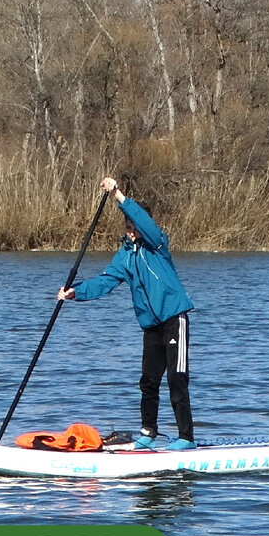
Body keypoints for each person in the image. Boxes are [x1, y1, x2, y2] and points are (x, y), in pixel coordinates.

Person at [58, 176, 196, 450]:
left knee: (176, 378)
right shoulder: (124, 256)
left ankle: (186, 437)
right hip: (150, 326)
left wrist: (117, 196)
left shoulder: (157, 244)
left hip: (174, 319)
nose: (132, 232)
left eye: (135, 227)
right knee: (148, 380)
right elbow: (104, 281)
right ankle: (148, 432)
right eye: (128, 228)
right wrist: (76, 292)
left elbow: (144, 222)